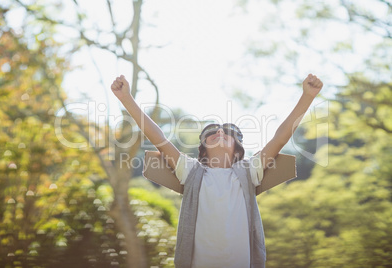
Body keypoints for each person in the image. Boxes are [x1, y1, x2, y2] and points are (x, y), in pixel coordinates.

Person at [111, 74, 323, 268]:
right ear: (202, 148)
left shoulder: (249, 172)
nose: (220, 131)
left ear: (238, 150)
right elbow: (159, 138)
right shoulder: (191, 171)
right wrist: (126, 99)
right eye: (211, 131)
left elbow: (280, 138)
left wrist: (307, 97)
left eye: (228, 131)